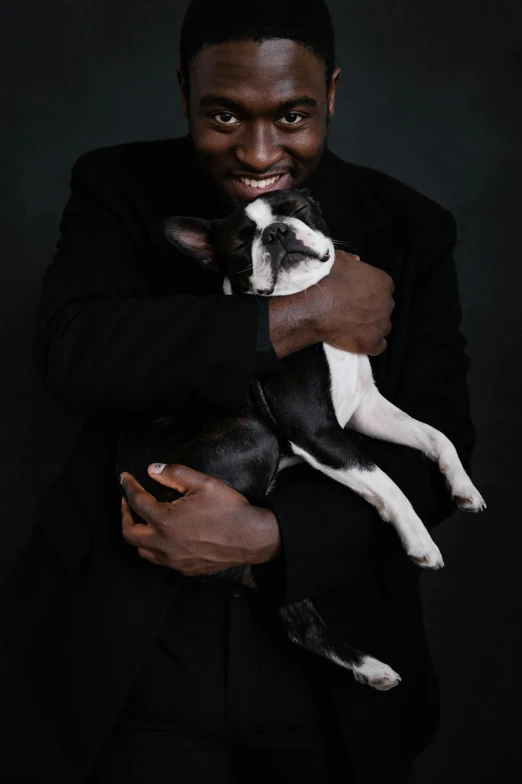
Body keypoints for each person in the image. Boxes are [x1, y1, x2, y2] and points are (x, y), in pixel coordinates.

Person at [0, 0, 476, 782]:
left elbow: (443, 444)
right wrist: (298, 316)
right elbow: (74, 357)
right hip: (135, 645)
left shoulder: (412, 226)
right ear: (185, 88)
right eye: (222, 114)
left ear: (333, 95)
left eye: (293, 115)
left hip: (333, 646)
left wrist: (275, 536)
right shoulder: (115, 186)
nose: (259, 152)